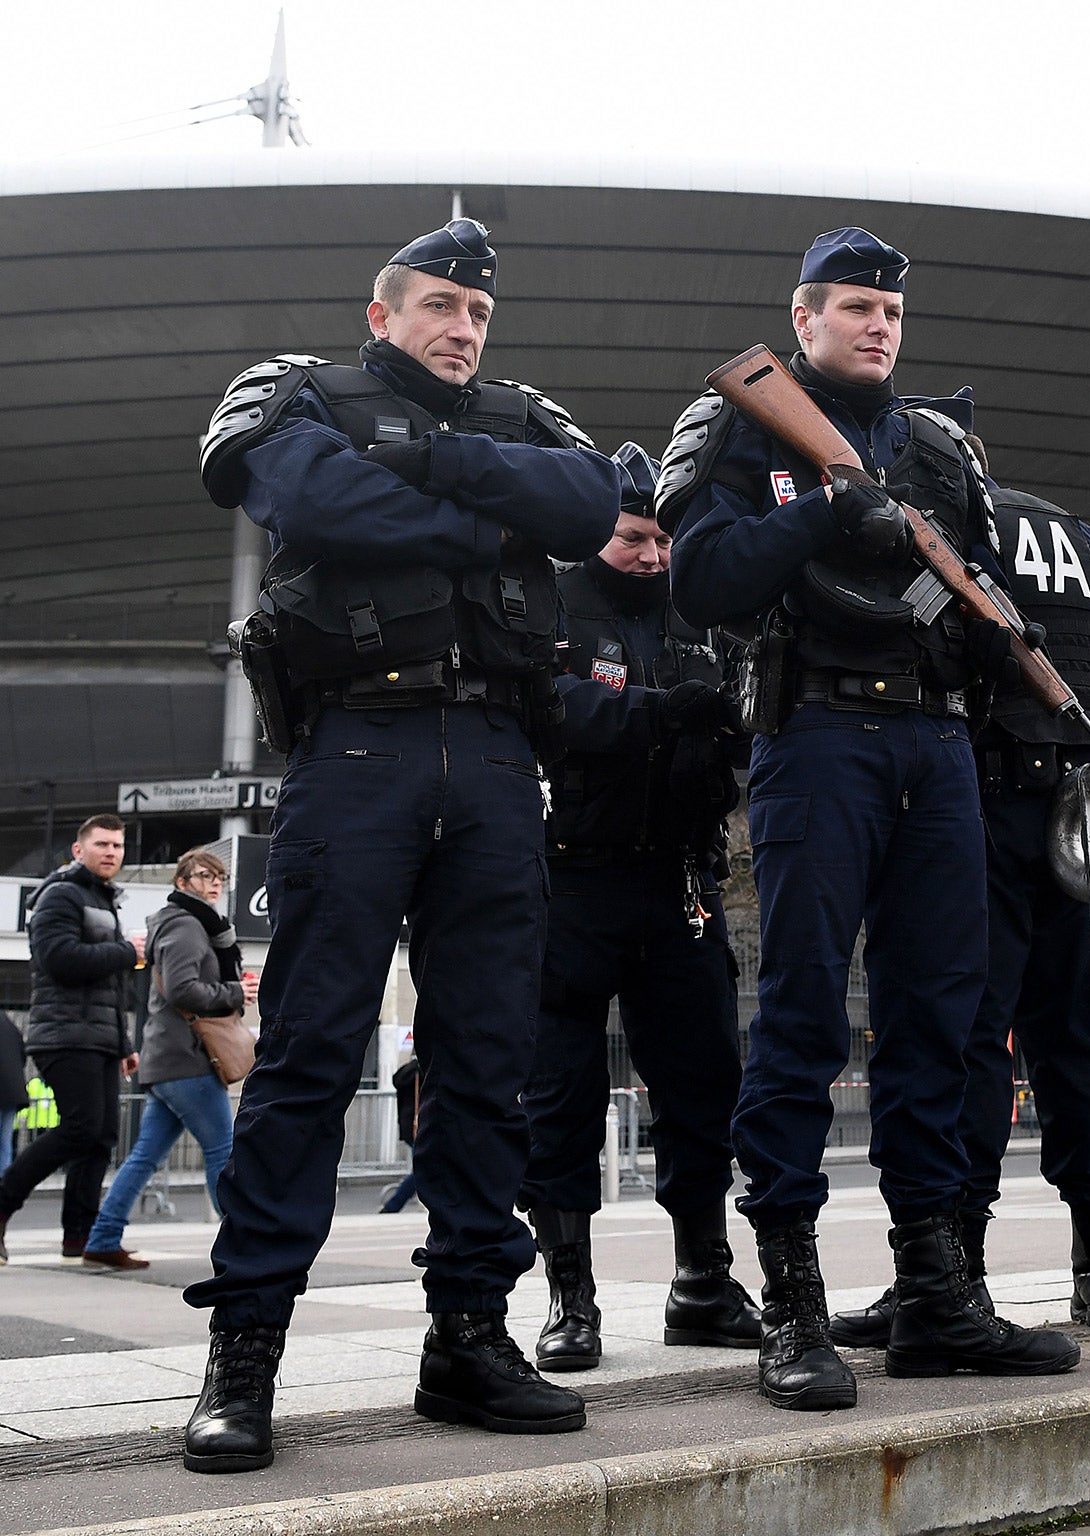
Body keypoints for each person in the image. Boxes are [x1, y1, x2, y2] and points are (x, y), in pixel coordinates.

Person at [185, 218, 619, 1472]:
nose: (462, 326)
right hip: (359, 749)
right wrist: (491, 511)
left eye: (477, 312)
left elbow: (592, 504)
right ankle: (246, 1355)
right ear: (383, 315)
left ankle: (469, 1339)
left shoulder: (530, 413)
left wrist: (434, 477)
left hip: (494, 755)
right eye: (438, 305)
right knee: (311, 1054)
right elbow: (307, 492)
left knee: (486, 1060)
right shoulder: (297, 391)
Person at [659, 226, 1078, 1411]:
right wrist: (825, 514)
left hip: (936, 742)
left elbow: (977, 580)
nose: (876, 325)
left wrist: (1010, 646)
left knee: (940, 1025)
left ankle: (935, 1295)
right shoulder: (743, 423)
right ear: (804, 320)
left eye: (889, 310)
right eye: (851, 307)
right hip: (817, 738)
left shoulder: (939, 445)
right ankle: (788, 1308)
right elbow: (700, 582)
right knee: (798, 1019)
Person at [831, 473, 1090, 1348]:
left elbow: (924, 638)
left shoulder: (956, 522)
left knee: (967, 1037)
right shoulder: (1077, 532)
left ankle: (948, 1271)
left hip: (987, 797)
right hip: (1084, 813)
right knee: (1081, 1041)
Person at [518, 443, 760, 1373]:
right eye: (634, 538)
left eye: (663, 539)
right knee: (560, 1102)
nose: (654, 556)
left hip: (679, 885)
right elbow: (553, 706)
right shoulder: (550, 602)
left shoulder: (699, 607)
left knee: (703, 1090)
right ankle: (568, 1301)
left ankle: (703, 1280)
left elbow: (747, 708)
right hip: (571, 883)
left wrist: (733, 714)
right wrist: (664, 713)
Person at [80, 849, 255, 1270]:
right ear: (182, 882)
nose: (214, 883)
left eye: (220, 877)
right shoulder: (185, 925)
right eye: (203, 876)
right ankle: (242, 1247)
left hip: (170, 1057)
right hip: (187, 1059)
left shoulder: (189, 924)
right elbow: (181, 989)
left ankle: (103, 1238)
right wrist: (235, 994)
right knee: (222, 1150)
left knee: (145, 1156)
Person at [0, 815, 143, 1265]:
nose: (111, 853)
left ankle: (82, 1239)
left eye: (118, 846)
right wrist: (129, 952)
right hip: (62, 1034)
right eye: (102, 844)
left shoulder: (102, 899)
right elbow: (58, 959)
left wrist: (123, 1044)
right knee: (80, 1127)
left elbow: (111, 990)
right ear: (78, 850)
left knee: (101, 1136)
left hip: (97, 1037)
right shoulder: (59, 894)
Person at [379, 1056, 421, 1214]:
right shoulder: (419, 1072)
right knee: (423, 1169)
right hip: (418, 1125)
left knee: (425, 1167)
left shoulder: (406, 1073)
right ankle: (394, 1204)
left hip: (409, 1126)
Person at [0, 1010, 27, 1182]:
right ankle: (4, 1183)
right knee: (4, 1141)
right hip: (12, 1091)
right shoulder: (6, 1021)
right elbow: (22, 1052)